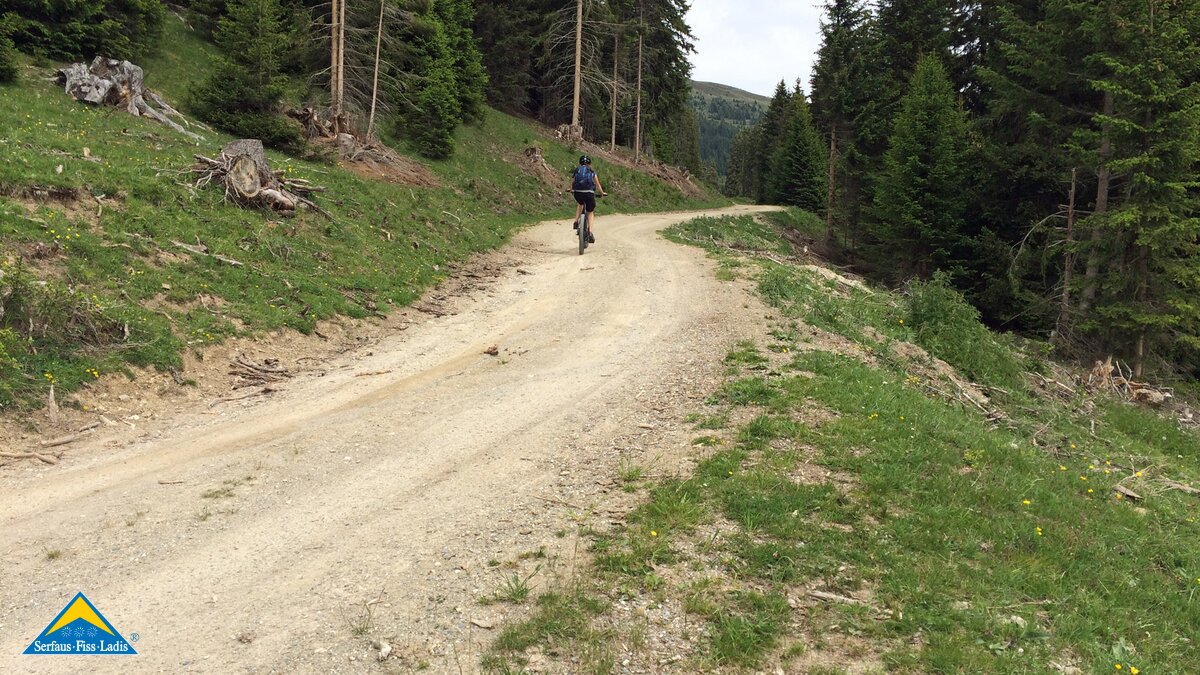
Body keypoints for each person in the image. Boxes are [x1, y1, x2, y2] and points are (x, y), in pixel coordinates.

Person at [568, 155, 606, 243]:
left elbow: (573, 182)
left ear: (580, 163)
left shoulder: (577, 170)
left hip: (578, 193)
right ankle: (590, 233)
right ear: (590, 163)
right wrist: (602, 193)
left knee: (580, 203)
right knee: (590, 212)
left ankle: (576, 221)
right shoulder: (592, 171)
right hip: (589, 193)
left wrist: (570, 189)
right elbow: (597, 184)